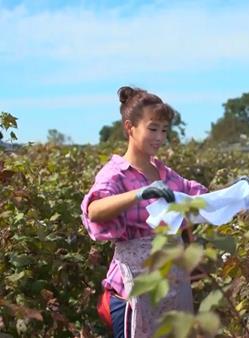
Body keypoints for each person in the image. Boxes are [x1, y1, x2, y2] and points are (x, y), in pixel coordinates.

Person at [81, 86, 208, 337]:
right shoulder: (115, 173)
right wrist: (138, 194)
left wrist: (238, 194)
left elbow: (199, 197)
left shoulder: (165, 173)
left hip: (173, 286)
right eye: (152, 129)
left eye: (164, 130)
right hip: (135, 288)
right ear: (130, 128)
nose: (159, 137)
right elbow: (94, 210)